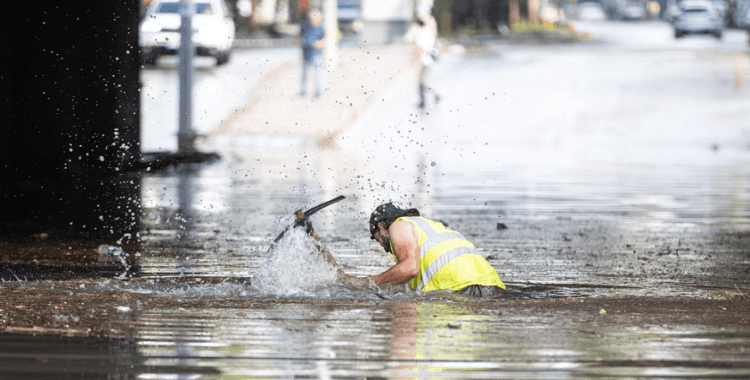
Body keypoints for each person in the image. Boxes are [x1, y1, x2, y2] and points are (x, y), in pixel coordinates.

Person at [337, 202, 506, 296]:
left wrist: (367, 283)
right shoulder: (430, 227)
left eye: (377, 238)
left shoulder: (398, 226)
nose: (382, 247)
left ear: (381, 226)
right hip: (492, 288)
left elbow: (409, 268)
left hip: (465, 290)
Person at [403, 13, 440, 109]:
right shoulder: (428, 31)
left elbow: (419, 47)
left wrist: (413, 60)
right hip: (429, 59)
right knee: (420, 82)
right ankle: (422, 100)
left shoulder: (421, 33)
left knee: (422, 82)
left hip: (424, 60)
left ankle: (434, 95)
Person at [298, 9, 326, 98]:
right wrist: (299, 42)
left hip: (316, 53)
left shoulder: (321, 27)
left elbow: (325, 39)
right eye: (311, 19)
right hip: (306, 52)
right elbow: (298, 35)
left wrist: (319, 44)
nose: (312, 20)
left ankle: (318, 92)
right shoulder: (305, 26)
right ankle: (303, 91)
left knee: (317, 73)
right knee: (304, 73)